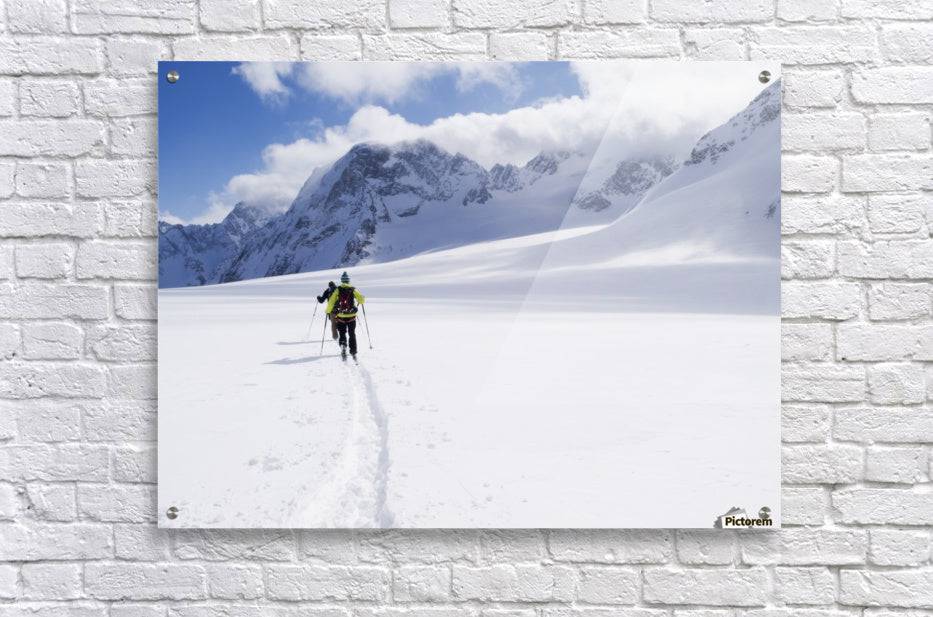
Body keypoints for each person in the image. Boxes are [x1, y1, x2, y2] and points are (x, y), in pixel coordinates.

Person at [325, 271, 366, 359]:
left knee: (342, 332)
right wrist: (362, 298)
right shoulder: (353, 289)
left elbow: (331, 302)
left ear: (342, 281)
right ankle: (353, 351)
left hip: (341, 316)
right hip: (351, 316)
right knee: (352, 333)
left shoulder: (338, 289)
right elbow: (361, 300)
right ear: (348, 281)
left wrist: (328, 311)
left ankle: (343, 345)